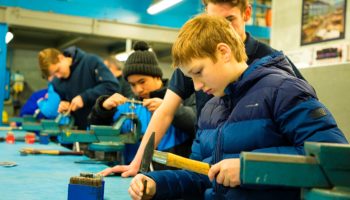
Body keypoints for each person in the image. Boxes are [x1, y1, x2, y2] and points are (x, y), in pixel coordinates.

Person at [128, 14, 348, 200]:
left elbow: (335, 161)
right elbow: (199, 173)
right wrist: (156, 183)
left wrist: (248, 168)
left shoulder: (283, 90)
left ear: (224, 52)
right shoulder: (211, 109)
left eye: (198, 72)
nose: (196, 85)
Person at [107, 0, 308, 178]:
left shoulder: (275, 66)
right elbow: (165, 112)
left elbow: (312, 141)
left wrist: (251, 166)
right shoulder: (196, 62)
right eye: (213, 21)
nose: (221, 29)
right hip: (208, 166)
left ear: (247, 13)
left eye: (229, 20)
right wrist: (137, 164)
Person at [88, 41, 196, 169]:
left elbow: (197, 122)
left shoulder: (183, 98)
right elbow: (94, 129)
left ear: (157, 77)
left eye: (142, 82)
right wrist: (103, 108)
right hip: (132, 175)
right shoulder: (128, 105)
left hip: (172, 177)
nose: (138, 89)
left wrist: (171, 109)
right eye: (132, 85)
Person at [38, 46, 119, 130]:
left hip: (102, 128)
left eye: (58, 70)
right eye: (54, 75)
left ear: (61, 58)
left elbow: (112, 86)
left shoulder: (91, 62)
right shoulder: (57, 81)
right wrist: (64, 105)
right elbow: (65, 99)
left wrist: (84, 97)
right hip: (77, 131)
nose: (58, 76)